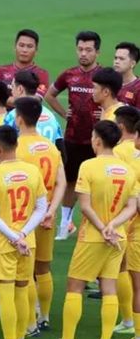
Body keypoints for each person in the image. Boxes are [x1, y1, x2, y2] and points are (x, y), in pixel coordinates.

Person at [43, 121, 137, 339]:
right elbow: (132, 206)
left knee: (74, 286)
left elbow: (84, 206)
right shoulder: (127, 169)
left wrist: (103, 227)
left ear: (97, 140)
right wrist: (113, 226)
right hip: (119, 237)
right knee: (110, 287)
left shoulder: (88, 166)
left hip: (93, 237)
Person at [0, 125, 47, 339]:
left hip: (4, 244)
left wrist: (12, 236)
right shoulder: (32, 171)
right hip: (27, 242)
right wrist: (23, 233)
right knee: (22, 290)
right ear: (16, 145)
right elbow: (42, 208)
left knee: (7, 295)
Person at [13, 97, 66, 333]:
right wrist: (51, 211)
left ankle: (29, 322)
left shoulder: (17, 149)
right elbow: (62, 182)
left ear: (19, 119)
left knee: (25, 272)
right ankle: (44, 316)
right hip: (46, 217)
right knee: (43, 269)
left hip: (23, 218)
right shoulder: (50, 146)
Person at [44, 31, 103, 241]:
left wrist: (105, 113)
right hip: (72, 137)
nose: (83, 54)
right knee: (69, 181)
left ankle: (95, 224)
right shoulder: (69, 74)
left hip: (99, 141)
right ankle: (65, 224)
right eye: (80, 49)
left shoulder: (105, 76)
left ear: (97, 52)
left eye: (88, 50)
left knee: (96, 183)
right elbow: (49, 95)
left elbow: (118, 99)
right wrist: (63, 113)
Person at [112, 106, 140, 336]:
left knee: (124, 269)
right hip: (131, 218)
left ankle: (129, 319)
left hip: (125, 219)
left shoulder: (119, 152)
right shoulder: (135, 150)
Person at [3, 70, 64, 148]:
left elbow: (6, 148)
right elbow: (60, 147)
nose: (11, 91)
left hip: (24, 159)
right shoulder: (51, 116)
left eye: (13, 86)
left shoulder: (13, 116)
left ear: (20, 89)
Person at [0, 29, 50, 106]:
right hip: (3, 117)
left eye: (29, 46)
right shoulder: (1, 71)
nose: (24, 50)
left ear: (36, 50)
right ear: (15, 47)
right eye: (21, 45)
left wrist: (6, 100)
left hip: (27, 117)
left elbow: (36, 99)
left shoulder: (42, 74)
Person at [115, 42, 140, 108]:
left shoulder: (138, 88)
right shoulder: (109, 83)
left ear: (133, 64)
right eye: (115, 58)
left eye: (121, 59)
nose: (116, 61)